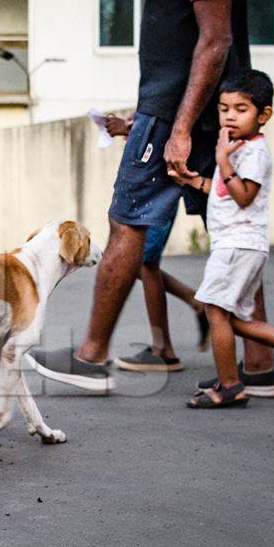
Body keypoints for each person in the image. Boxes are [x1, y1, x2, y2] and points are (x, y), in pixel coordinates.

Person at [28, 0, 274, 395]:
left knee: (127, 222)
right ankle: (261, 362)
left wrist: (181, 126)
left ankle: (90, 356)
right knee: (230, 226)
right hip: (175, 110)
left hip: (176, 116)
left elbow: (215, 42)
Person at [174, 70, 274, 407]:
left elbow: (244, 195)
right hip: (236, 244)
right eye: (223, 108)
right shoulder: (237, 147)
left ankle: (230, 386)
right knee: (235, 321)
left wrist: (222, 160)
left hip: (239, 244)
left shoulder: (254, 152)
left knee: (215, 310)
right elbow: (223, 192)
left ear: (264, 115)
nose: (230, 116)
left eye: (241, 109)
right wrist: (193, 182)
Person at [103, 113, 210, 374]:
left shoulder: (178, 82)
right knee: (142, 262)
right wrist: (130, 127)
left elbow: (167, 121)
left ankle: (164, 351)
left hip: (159, 182)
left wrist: (129, 126)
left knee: (144, 262)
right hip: (158, 178)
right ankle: (195, 304)